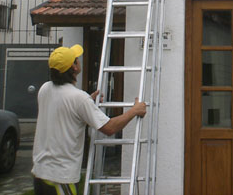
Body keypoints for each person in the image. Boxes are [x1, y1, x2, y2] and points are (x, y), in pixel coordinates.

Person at [32, 44, 147, 195]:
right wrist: (134, 110)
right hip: (59, 177)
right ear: (74, 67)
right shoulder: (79, 99)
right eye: (76, 59)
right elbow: (109, 128)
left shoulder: (45, 89)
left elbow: (66, 110)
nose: (79, 60)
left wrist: (88, 103)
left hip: (40, 173)